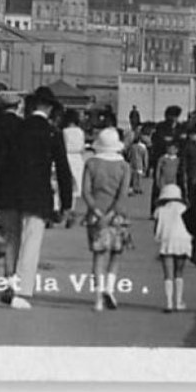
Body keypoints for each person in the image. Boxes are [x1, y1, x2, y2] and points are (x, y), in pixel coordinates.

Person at [0, 88, 73, 310]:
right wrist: (66, 204)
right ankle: (22, 290)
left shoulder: (16, 129)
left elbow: (0, 162)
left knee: (12, 240)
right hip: (37, 195)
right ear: (50, 108)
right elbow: (63, 170)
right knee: (31, 242)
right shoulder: (53, 132)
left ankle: (9, 283)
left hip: (9, 192)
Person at [80, 126, 131, 311]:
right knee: (115, 255)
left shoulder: (91, 163)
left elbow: (85, 191)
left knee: (98, 256)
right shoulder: (124, 166)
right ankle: (110, 289)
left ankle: (98, 298)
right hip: (118, 216)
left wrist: (97, 212)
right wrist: (111, 214)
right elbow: (123, 194)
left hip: (95, 215)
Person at [153, 183, 192, 312]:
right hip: (183, 241)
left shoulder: (160, 210)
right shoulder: (184, 208)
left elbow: (156, 230)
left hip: (167, 241)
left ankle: (169, 302)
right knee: (179, 272)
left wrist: (158, 238)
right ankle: (178, 301)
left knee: (168, 274)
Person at [61, 109, 87, 220]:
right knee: (75, 186)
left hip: (66, 156)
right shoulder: (80, 132)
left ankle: (61, 209)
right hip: (77, 158)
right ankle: (71, 209)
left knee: (63, 183)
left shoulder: (64, 131)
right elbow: (82, 147)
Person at [152, 137, 182, 210]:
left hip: (173, 180)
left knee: (171, 195)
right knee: (162, 195)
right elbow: (158, 170)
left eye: (173, 149)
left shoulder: (177, 160)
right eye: (170, 148)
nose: (171, 150)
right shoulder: (163, 158)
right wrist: (157, 179)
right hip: (163, 179)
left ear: (176, 150)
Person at [126, 128, 150, 197]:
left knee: (132, 178)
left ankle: (132, 189)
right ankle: (138, 188)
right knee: (139, 177)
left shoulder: (132, 147)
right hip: (140, 164)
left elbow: (129, 155)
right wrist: (146, 166)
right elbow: (145, 158)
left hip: (132, 164)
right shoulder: (143, 148)